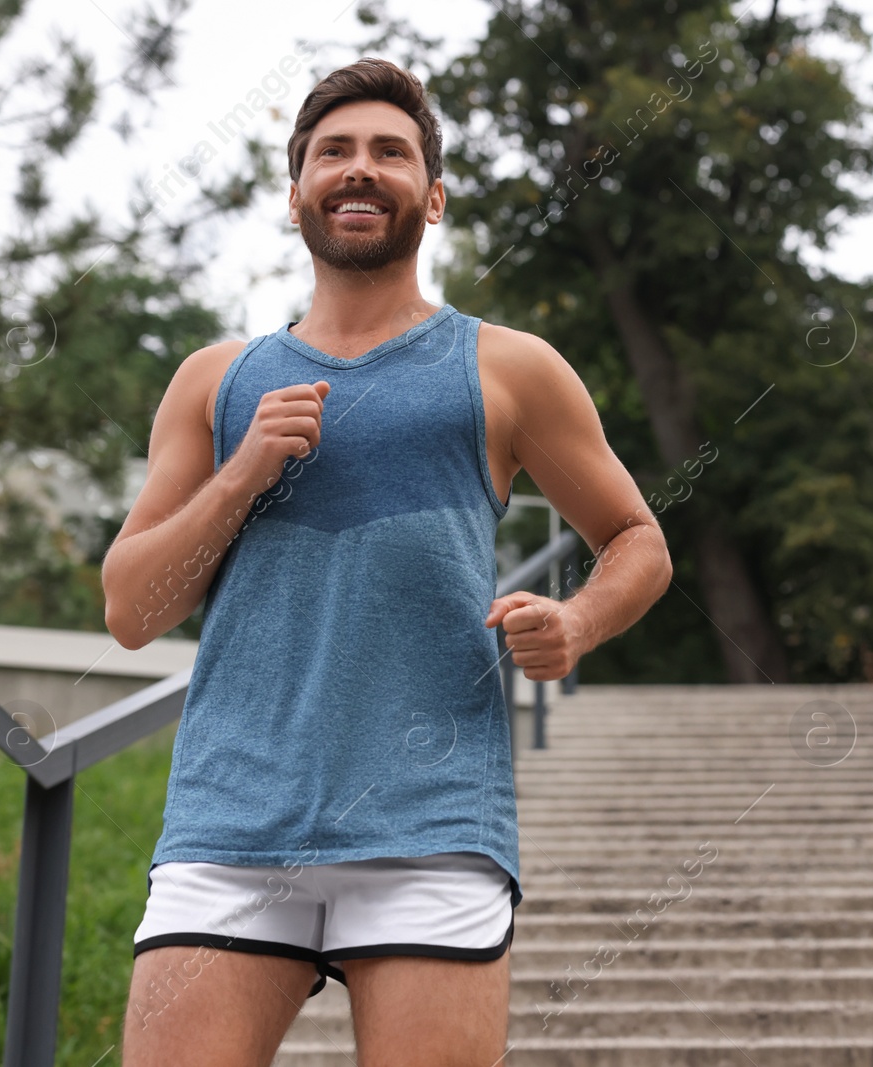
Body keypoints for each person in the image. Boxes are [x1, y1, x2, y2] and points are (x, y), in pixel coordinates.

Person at [101, 57, 671, 1067]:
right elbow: (131, 607)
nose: (359, 170)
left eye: (389, 153)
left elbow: (637, 539)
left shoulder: (509, 367)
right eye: (333, 152)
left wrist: (577, 622)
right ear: (296, 195)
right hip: (232, 821)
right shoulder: (215, 380)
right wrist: (239, 477)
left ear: (433, 196)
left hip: (432, 823)